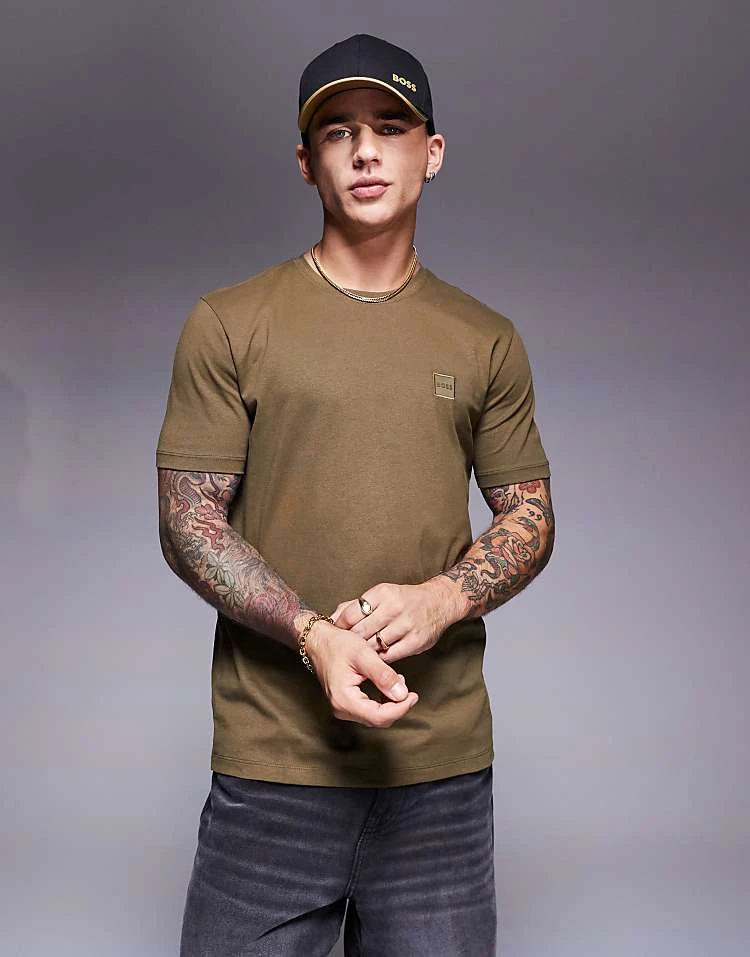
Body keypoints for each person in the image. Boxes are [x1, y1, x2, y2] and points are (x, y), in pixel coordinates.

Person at [156, 33, 555, 957]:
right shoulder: (230, 324)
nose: (365, 150)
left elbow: (530, 514)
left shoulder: (486, 338)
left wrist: (442, 597)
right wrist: (313, 635)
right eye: (338, 131)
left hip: (439, 777)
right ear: (307, 162)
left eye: (391, 126)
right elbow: (188, 520)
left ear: (432, 152)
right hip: (274, 772)